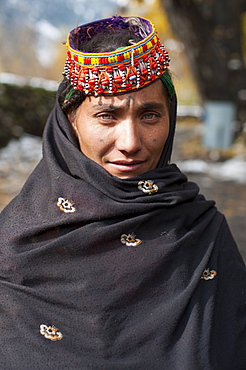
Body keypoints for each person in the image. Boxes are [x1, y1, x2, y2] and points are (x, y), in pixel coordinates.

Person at [0, 15, 245, 370]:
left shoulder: (202, 233)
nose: (130, 143)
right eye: (106, 116)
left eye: (149, 116)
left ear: (169, 119)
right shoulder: (17, 244)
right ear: (70, 121)